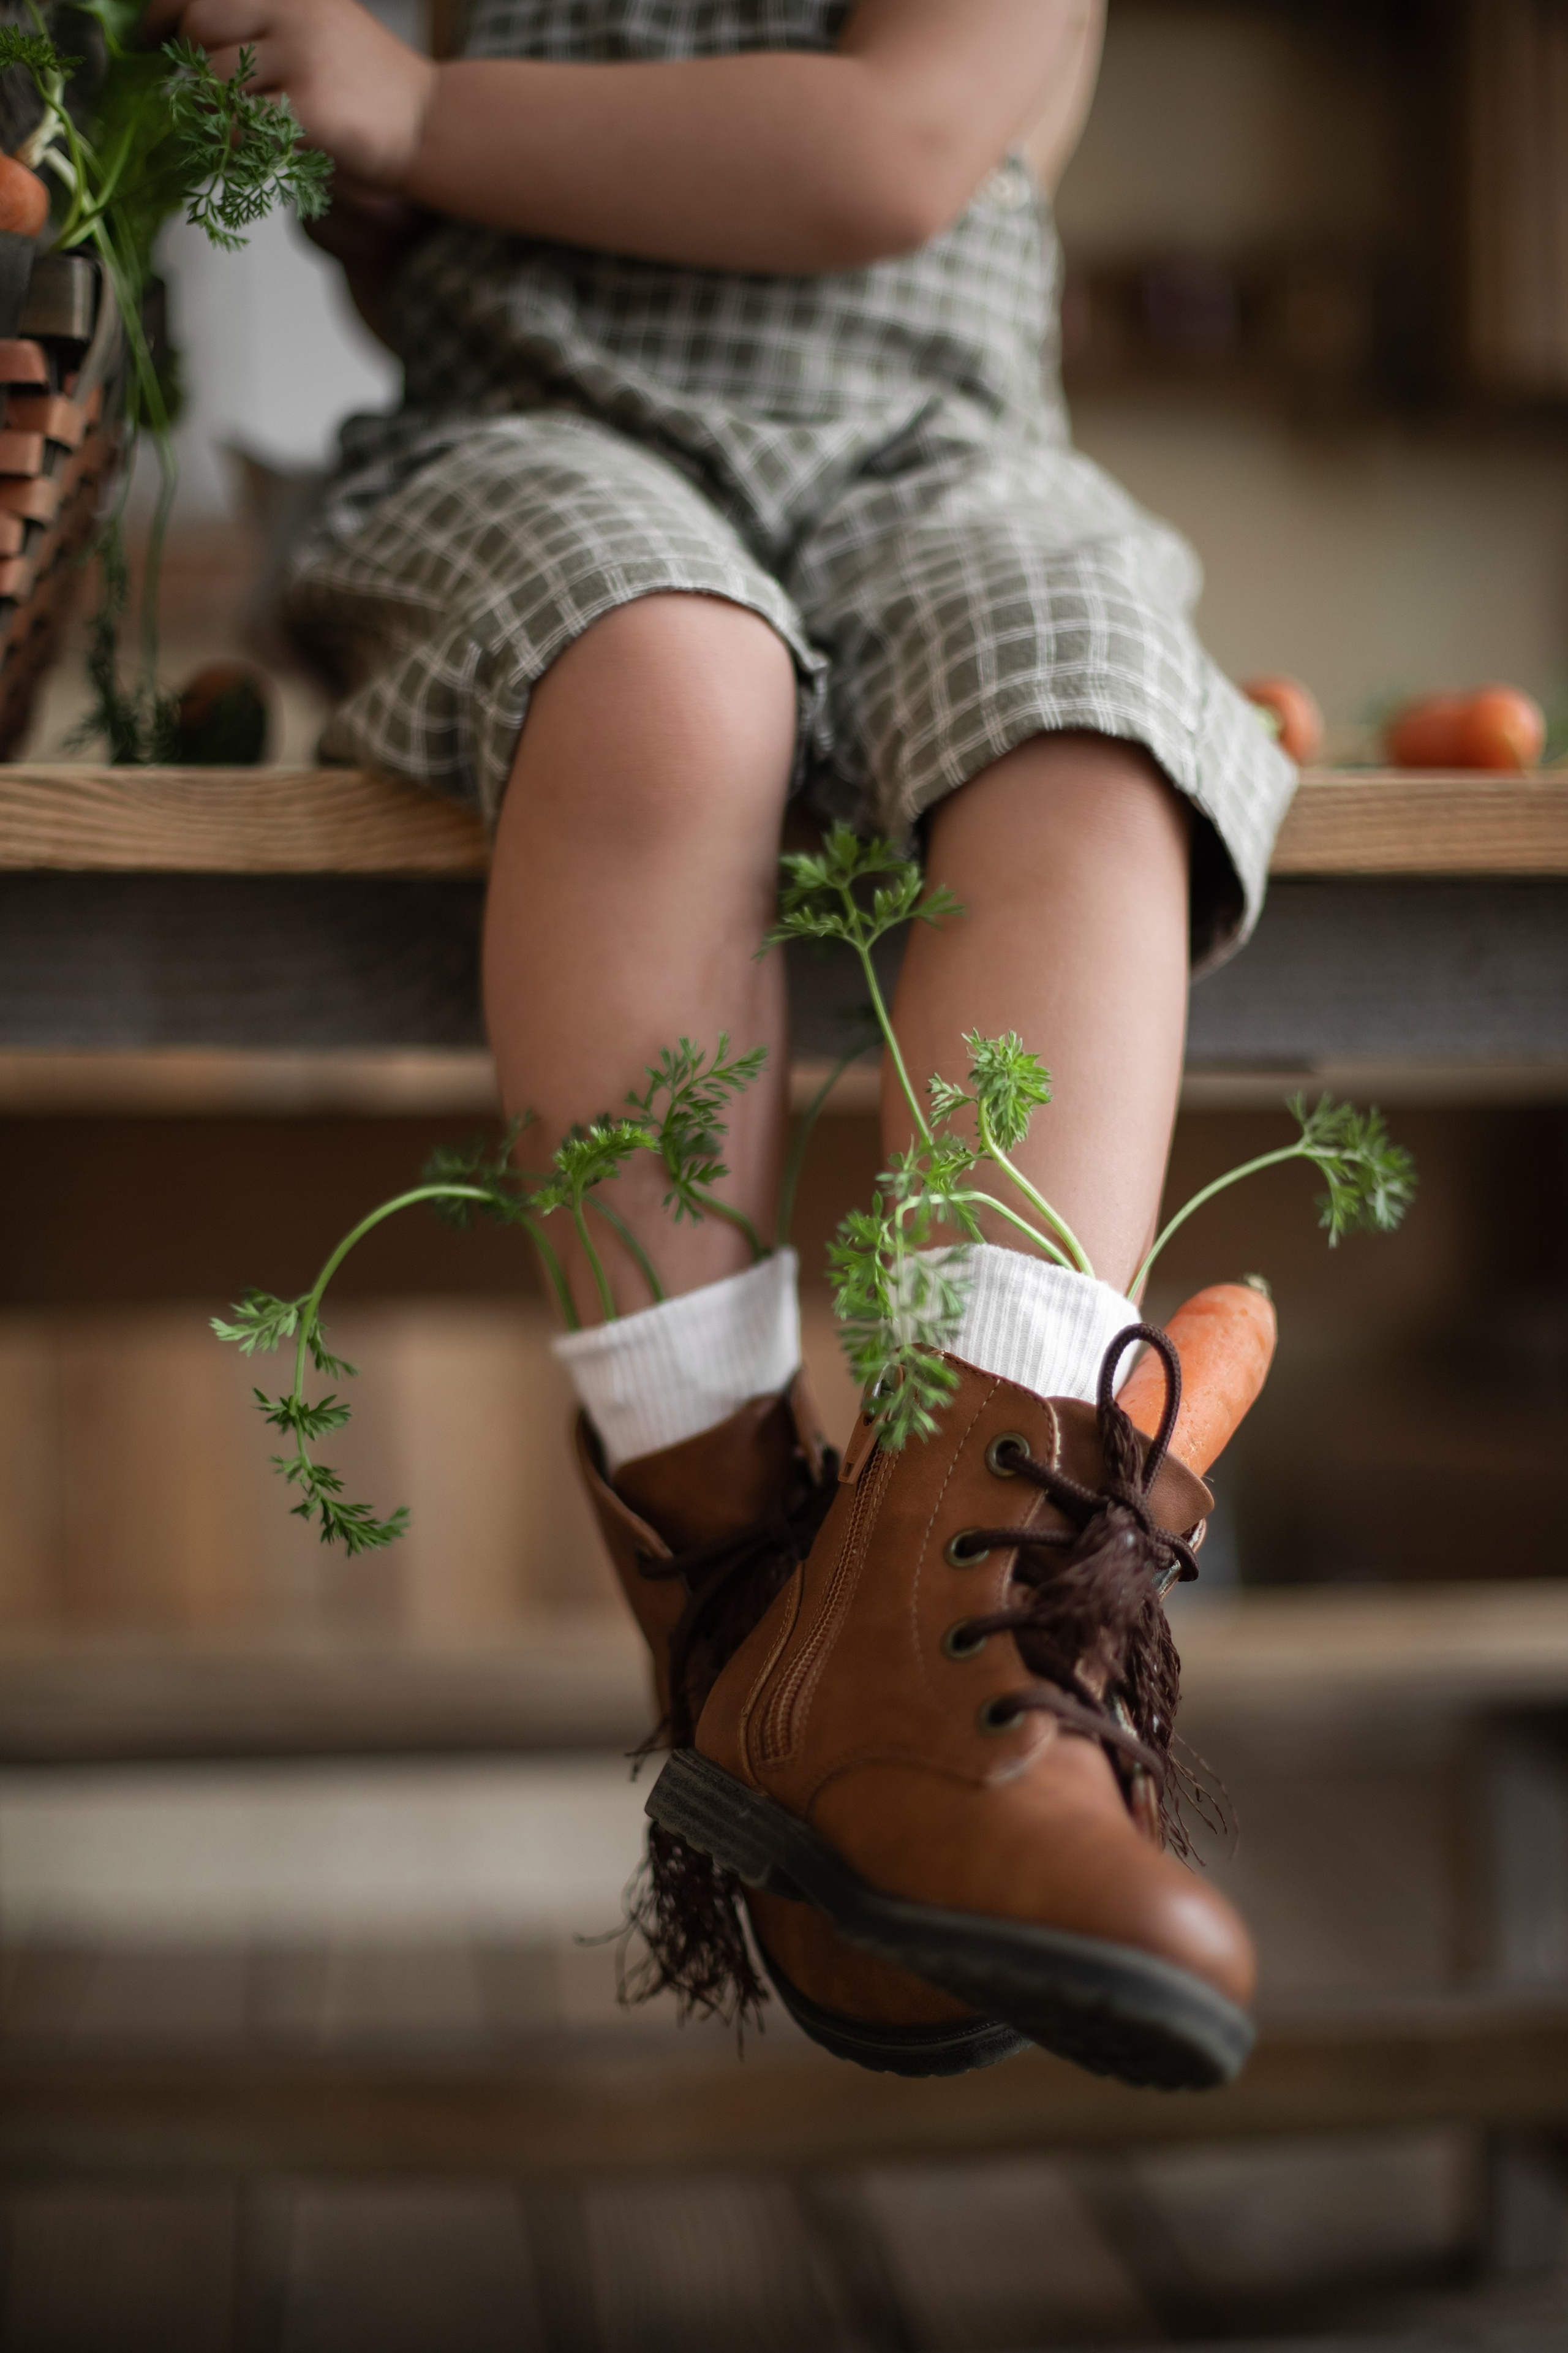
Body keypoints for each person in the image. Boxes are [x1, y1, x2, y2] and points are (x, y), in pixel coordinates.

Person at [149, 0, 1292, 2085]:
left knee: (1088, 714)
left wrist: (423, 107)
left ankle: (971, 1620)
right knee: (669, 682)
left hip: (943, 460)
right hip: (540, 446)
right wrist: (381, 185)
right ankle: (743, 1584)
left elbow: (890, 152)